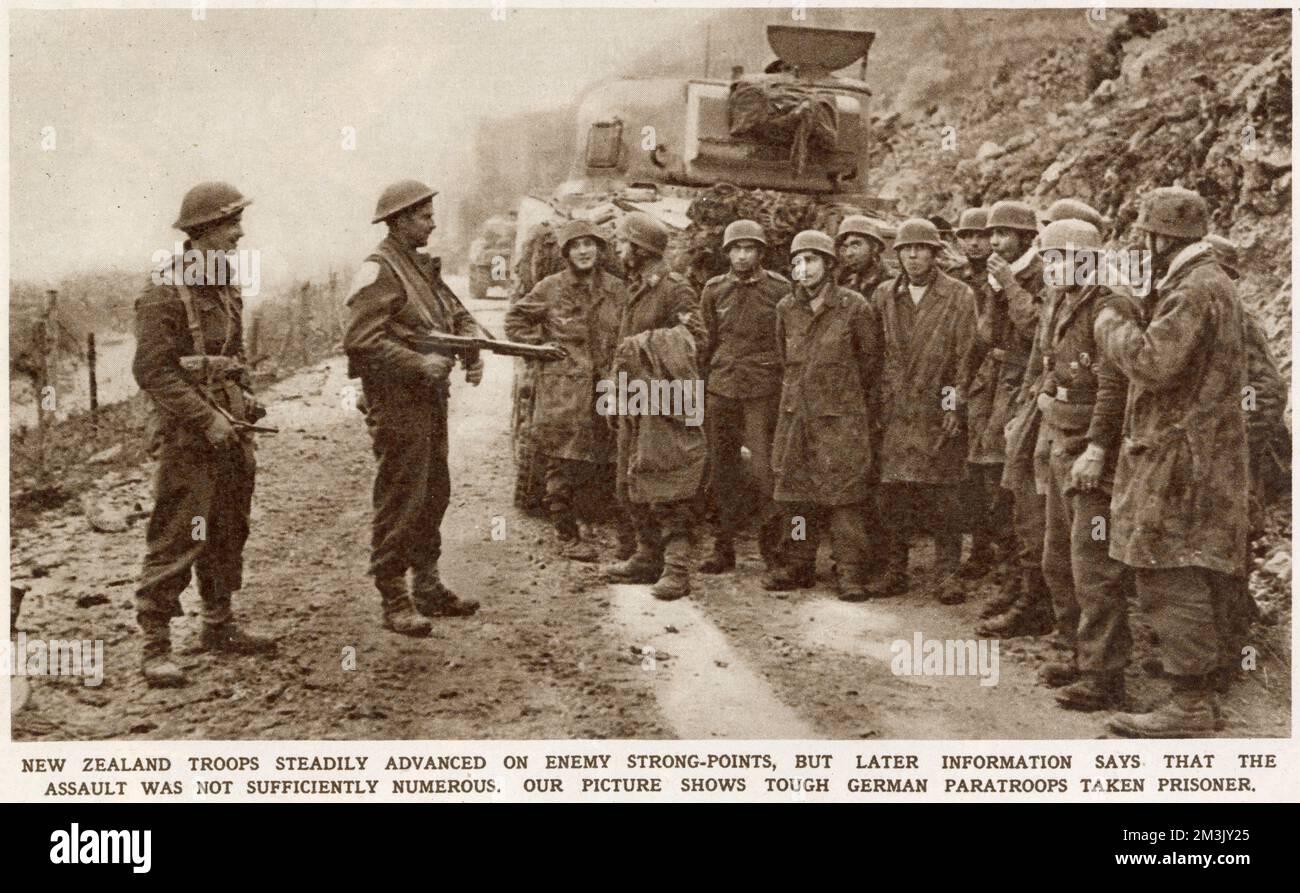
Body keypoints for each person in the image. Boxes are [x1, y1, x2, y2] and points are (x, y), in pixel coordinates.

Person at [1095, 187, 1250, 737]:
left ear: (1164, 237)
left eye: (1146, 235)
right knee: (1186, 567)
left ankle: (1189, 705)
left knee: (1169, 569)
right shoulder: (1205, 283)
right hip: (1196, 451)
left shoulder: (1196, 288)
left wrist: (1111, 318)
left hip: (1180, 456)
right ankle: (1196, 693)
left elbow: (1152, 362)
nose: (1142, 244)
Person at [132, 181, 275, 687]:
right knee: (179, 532)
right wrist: (206, 418)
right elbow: (152, 372)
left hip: (231, 430)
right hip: (189, 437)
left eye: (237, 223)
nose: (239, 233)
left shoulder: (225, 285)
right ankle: (155, 646)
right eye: (230, 224)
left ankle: (219, 626)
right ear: (201, 233)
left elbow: (231, 359)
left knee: (227, 527)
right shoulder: (164, 292)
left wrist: (245, 398)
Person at [344, 179, 482, 636]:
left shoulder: (420, 268)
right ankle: (393, 596)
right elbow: (361, 342)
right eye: (424, 216)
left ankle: (427, 585)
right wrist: (418, 363)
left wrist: (470, 338)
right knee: (401, 496)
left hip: (428, 401)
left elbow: (452, 310)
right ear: (400, 221)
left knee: (433, 491)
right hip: (397, 403)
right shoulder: (379, 270)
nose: (432, 223)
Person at [1031, 219, 1136, 711]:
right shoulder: (1063, 300)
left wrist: (1096, 448)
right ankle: (1076, 651)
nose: (1050, 268)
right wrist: (1046, 394)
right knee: (1058, 558)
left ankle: (1104, 675)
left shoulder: (1110, 305)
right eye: (1048, 259)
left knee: (1094, 565)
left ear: (1086, 259)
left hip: (1093, 450)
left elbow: (1117, 385)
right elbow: (1051, 363)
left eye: (1058, 259)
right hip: (1061, 437)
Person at [766, 230, 881, 601]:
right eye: (798, 261)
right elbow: (785, 360)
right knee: (796, 499)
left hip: (841, 419)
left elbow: (869, 364)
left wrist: (841, 399)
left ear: (829, 265)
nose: (805, 268)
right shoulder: (786, 309)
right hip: (797, 415)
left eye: (812, 260)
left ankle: (849, 571)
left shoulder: (854, 306)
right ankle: (799, 563)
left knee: (844, 499)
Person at [505, 219, 629, 562]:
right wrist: (542, 347)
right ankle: (567, 533)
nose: (584, 251)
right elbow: (514, 322)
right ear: (566, 252)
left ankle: (626, 538)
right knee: (562, 460)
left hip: (606, 385)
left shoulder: (618, 289)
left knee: (614, 455)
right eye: (576, 245)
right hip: (564, 388)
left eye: (590, 244)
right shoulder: (550, 288)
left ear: (600, 250)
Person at [872, 219, 978, 604]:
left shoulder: (959, 295)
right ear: (896, 254)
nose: (913, 255)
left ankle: (947, 574)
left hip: (936, 406)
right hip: (896, 408)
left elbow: (965, 357)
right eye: (906, 249)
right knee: (892, 496)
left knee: (944, 497)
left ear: (936, 254)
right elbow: (874, 355)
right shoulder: (884, 295)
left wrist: (953, 405)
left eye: (921, 249)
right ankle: (894, 569)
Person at [603, 211, 706, 601]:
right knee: (630, 479)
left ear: (641, 248)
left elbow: (695, 337)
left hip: (667, 399)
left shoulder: (674, 288)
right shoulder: (637, 286)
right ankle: (647, 556)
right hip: (636, 396)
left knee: (669, 480)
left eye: (623, 242)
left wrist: (642, 346)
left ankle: (677, 569)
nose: (618, 248)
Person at [978, 200, 1053, 636]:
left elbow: (1035, 329)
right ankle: (1015, 580)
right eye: (993, 233)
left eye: (1005, 233)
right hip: (1008, 381)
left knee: (1026, 491)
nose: (995, 241)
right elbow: (988, 334)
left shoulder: (1038, 274)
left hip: (1034, 388)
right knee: (999, 485)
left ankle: (1033, 595)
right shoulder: (1000, 274)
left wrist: (1007, 284)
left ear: (1027, 237)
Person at [697, 219, 788, 575]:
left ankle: (774, 552)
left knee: (765, 473)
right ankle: (723, 549)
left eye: (749, 248)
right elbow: (707, 342)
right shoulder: (714, 290)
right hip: (722, 389)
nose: (742, 255)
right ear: (727, 253)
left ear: (760, 253)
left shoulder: (779, 289)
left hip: (761, 391)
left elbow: (785, 340)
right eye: (736, 249)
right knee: (721, 471)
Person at [952, 207, 1015, 579]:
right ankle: (978, 548)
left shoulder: (1002, 279)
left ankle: (999, 552)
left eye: (981, 235)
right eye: (966, 236)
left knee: (995, 468)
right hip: (971, 379)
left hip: (999, 377)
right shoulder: (954, 280)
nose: (975, 242)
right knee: (969, 471)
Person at [835, 215, 889, 299]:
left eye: (855, 246)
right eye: (845, 247)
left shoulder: (892, 283)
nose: (848, 253)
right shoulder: (844, 281)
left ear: (874, 247)